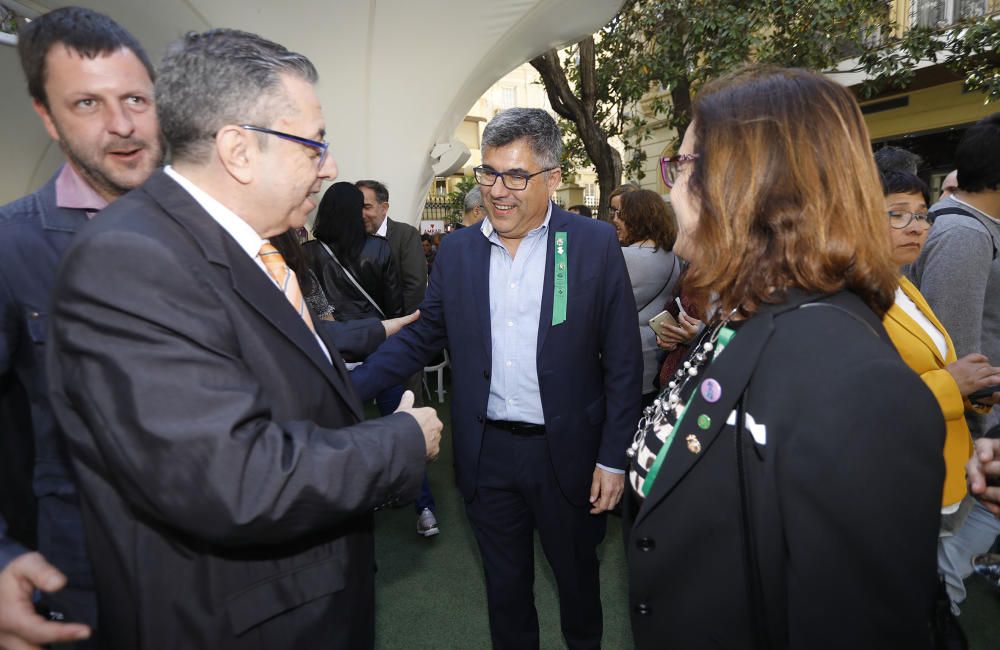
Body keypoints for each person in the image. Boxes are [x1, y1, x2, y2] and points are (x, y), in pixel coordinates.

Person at [45, 28, 441, 649]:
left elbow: (281, 356)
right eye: (314, 144)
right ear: (238, 150)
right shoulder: (131, 259)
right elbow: (231, 478)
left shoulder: (243, 246)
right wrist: (399, 441)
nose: (330, 166)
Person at [624, 66, 945, 649]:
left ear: (749, 184)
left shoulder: (847, 382)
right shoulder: (742, 312)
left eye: (683, 165)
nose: (668, 186)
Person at [351, 107, 641, 649]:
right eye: (488, 173)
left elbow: (624, 361)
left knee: (580, 588)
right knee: (506, 594)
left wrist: (611, 457)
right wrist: (343, 389)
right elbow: (421, 337)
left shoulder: (591, 244)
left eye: (516, 176)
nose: (498, 190)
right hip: (488, 457)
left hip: (571, 456)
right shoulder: (459, 252)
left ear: (553, 178)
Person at [0, 8, 162, 648]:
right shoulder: (14, 244)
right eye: (87, 103)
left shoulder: (210, 223)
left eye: (134, 99)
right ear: (47, 115)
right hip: (90, 578)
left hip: (228, 573)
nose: (121, 125)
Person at [911, 112, 1000, 613]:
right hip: (964, 433)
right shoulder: (965, 237)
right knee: (944, 567)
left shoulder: (971, 230)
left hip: (972, 430)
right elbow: (954, 356)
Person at [611, 189, 680, 407]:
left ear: (637, 217)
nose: (615, 220)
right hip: (655, 357)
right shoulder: (671, 256)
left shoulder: (625, 257)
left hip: (623, 361)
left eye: (621, 214)